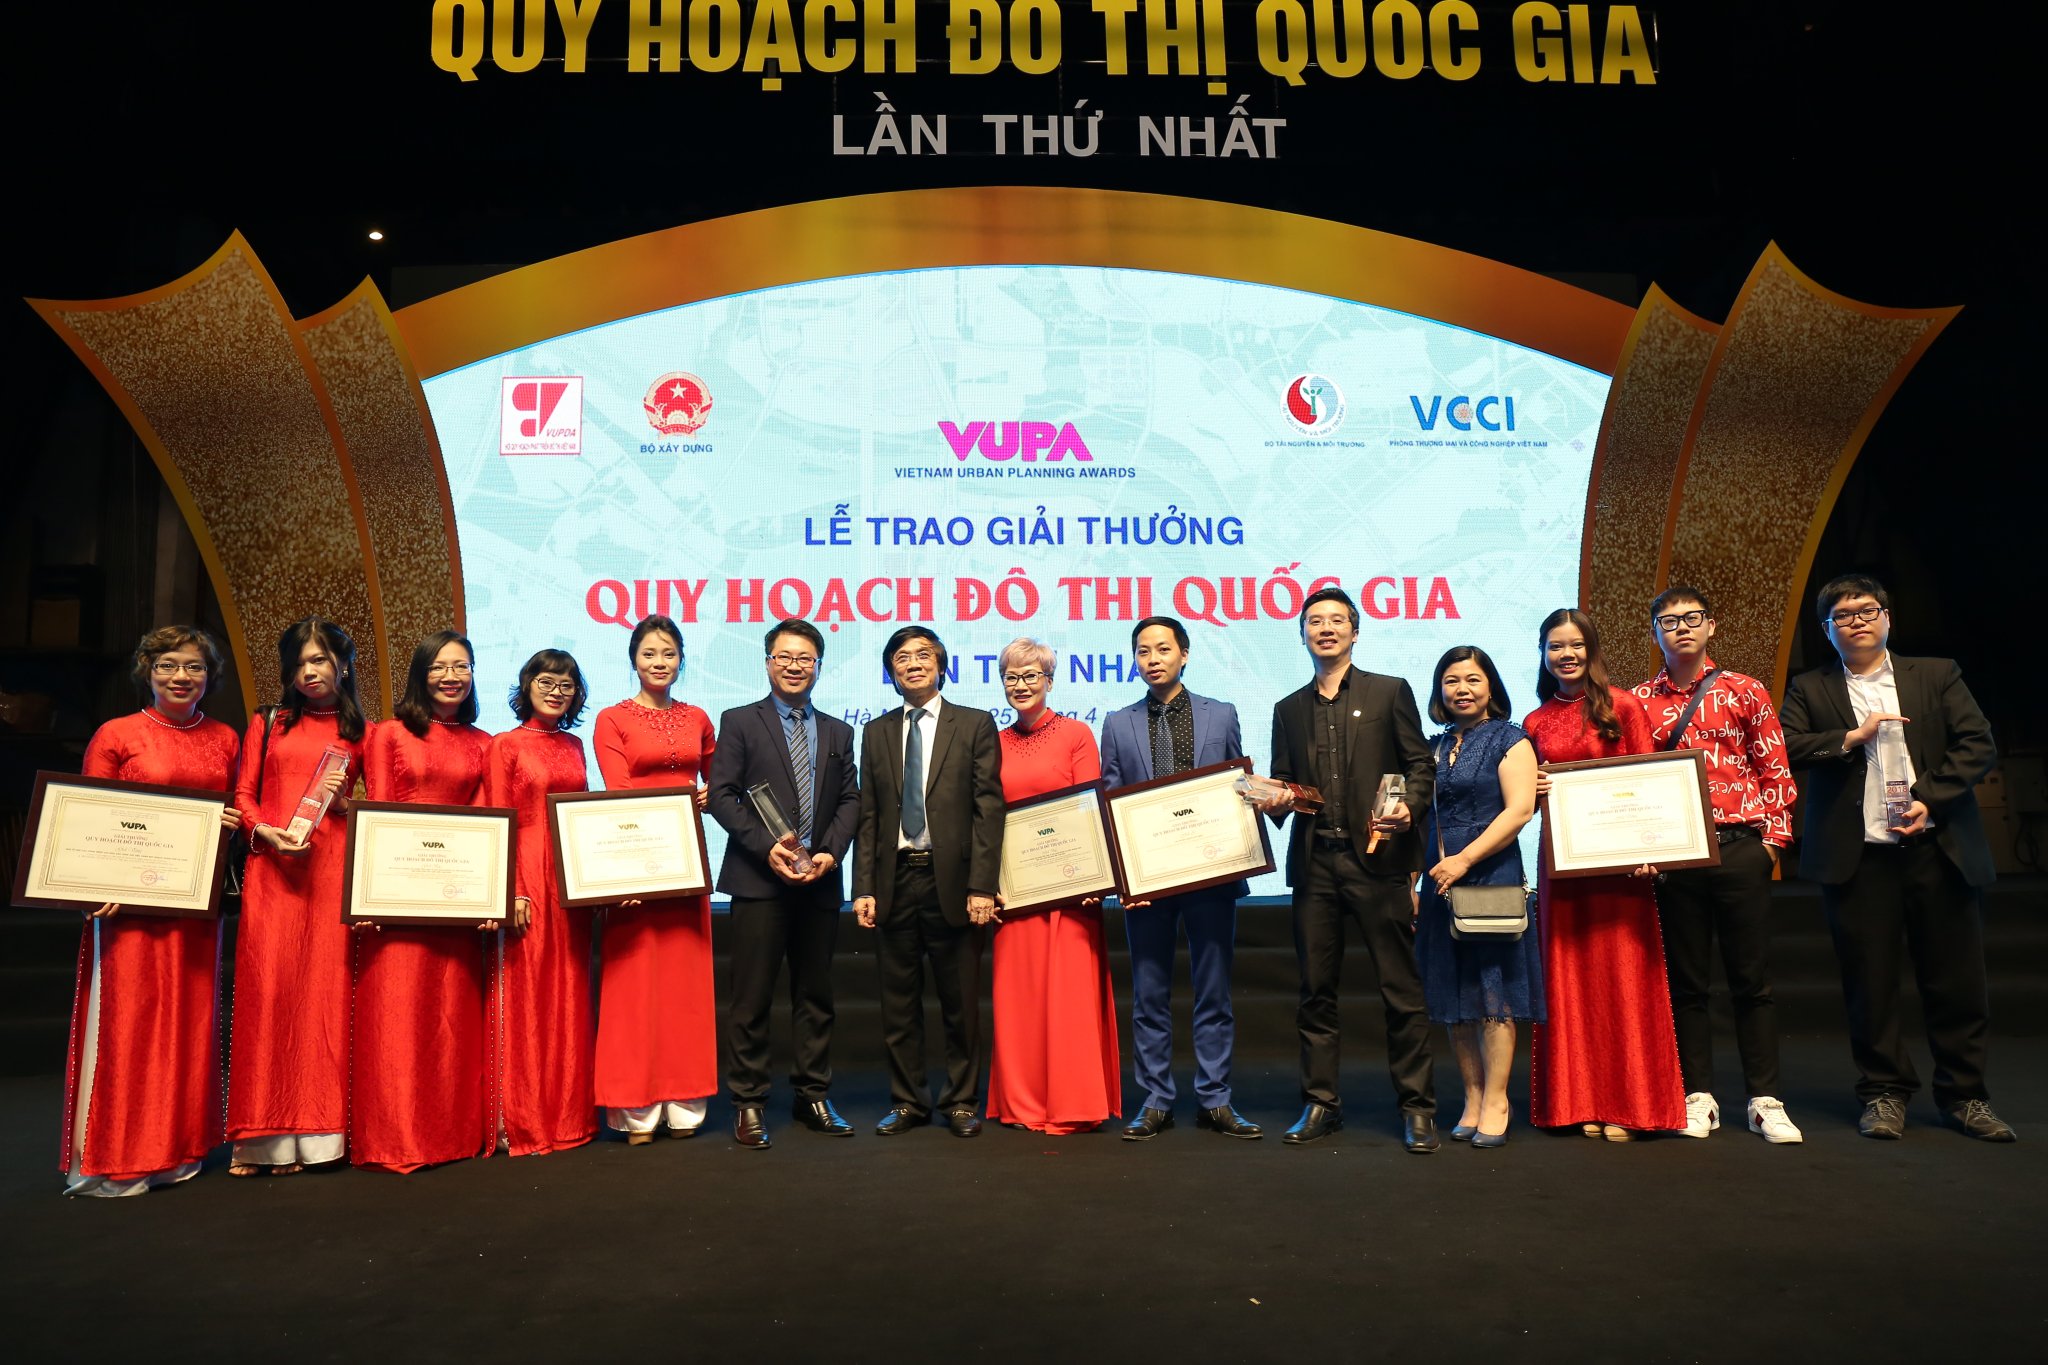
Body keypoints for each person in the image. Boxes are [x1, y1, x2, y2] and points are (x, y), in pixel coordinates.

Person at [1779, 574, 2013, 1141]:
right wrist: (1850, 737)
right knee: (1870, 984)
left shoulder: (1935, 673)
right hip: (1859, 858)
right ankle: (1883, 1093)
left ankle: (1965, 1096)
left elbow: (1977, 743)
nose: (1856, 621)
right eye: (1842, 615)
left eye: (1867, 610)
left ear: (1887, 617)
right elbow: (1784, 745)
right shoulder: (1810, 687)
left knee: (1956, 981)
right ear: (1826, 630)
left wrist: (1930, 798)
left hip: (1938, 850)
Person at [1253, 587, 1438, 1150]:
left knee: (1400, 989)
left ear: (1355, 632)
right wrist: (1275, 798)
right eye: (1315, 621)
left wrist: (1410, 807)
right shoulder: (1288, 708)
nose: (1326, 628)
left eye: (1337, 620)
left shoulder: (1389, 691)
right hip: (1316, 865)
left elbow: (1419, 765)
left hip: (1379, 863)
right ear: (1302, 635)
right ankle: (1320, 1104)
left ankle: (1417, 1108)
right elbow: (1288, 783)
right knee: (1315, 991)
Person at [62, 626, 242, 1196]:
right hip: (130, 904)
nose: (181, 676)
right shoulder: (117, 734)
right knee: (131, 1024)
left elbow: (237, 805)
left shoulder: (226, 738)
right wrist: (94, 888)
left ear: (210, 676)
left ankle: (177, 1149)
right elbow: (88, 815)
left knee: (190, 1022)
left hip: (194, 902)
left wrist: (232, 821)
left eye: (194, 666)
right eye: (168, 665)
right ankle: (121, 1154)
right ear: (148, 670)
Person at [1633, 587, 1803, 1144]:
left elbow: (1774, 768)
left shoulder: (1745, 690)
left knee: (1751, 981)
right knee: (1687, 983)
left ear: (1711, 626)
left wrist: (1771, 846)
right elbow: (1632, 780)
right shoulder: (1637, 702)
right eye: (1668, 621)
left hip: (1740, 847)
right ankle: (1697, 1097)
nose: (1681, 628)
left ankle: (1765, 1100)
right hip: (1675, 853)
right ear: (1654, 634)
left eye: (1692, 618)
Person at [1523, 608, 1685, 1140]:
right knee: (1571, 981)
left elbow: (1651, 780)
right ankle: (1580, 1100)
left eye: (1576, 645)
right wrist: (1533, 788)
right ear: (1543, 654)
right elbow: (1522, 800)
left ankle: (1633, 1104)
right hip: (1562, 864)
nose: (1566, 655)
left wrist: (1653, 849)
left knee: (1624, 978)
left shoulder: (1624, 705)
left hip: (1620, 866)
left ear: (1591, 650)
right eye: (1555, 646)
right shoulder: (1534, 722)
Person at [1100, 615, 1259, 1141]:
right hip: (1148, 880)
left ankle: (1216, 1098)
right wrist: (1124, 879)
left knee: (1214, 992)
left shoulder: (1222, 713)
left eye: (1163, 649)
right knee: (1149, 994)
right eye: (1143, 651)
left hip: (1213, 874)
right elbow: (1111, 803)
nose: (1153, 659)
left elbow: (1238, 786)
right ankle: (1156, 1099)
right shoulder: (1117, 723)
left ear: (1184, 654)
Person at [706, 619, 860, 1150]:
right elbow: (722, 794)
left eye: (805, 659)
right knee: (750, 999)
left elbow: (850, 800)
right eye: (785, 657)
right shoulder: (739, 721)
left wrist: (830, 852)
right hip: (758, 881)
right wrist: (764, 846)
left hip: (819, 882)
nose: (795, 666)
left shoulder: (839, 732)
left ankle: (812, 1095)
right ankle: (748, 1101)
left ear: (818, 666)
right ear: (768, 661)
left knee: (815, 996)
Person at [225, 617, 366, 1176]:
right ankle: (263, 1139)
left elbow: (379, 810)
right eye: (300, 662)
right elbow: (244, 793)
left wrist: (344, 805)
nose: (309, 671)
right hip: (273, 870)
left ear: (343, 665)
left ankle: (319, 1136)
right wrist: (263, 831)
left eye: (321, 660)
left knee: (324, 999)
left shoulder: (365, 731)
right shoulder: (269, 722)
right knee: (269, 994)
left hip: (331, 871)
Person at [852, 626, 1004, 1138]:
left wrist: (982, 885)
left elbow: (988, 810)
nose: (913, 663)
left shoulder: (975, 724)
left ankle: (960, 1101)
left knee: (960, 1003)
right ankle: (908, 1102)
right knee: (898, 1004)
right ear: (891, 672)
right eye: (901, 657)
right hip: (894, 881)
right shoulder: (876, 732)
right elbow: (869, 816)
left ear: (941, 666)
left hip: (954, 883)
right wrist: (863, 887)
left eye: (923, 655)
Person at [351, 631, 495, 1172]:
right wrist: (370, 896)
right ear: (420, 673)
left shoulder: (484, 743)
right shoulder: (389, 733)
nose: (451, 677)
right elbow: (379, 811)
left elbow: (487, 822)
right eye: (439, 667)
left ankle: (452, 1135)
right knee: (397, 1015)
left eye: (462, 666)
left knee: (450, 1021)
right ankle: (394, 1138)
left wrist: (487, 896)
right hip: (399, 898)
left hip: (456, 900)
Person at [590, 616, 718, 1145]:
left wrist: (710, 794)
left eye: (668, 653)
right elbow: (617, 791)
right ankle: (635, 1108)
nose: (659, 662)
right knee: (634, 984)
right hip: (634, 858)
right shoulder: (611, 718)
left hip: (686, 861)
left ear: (681, 660)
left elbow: (719, 779)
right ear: (633, 660)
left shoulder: (698, 717)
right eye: (649, 653)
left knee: (686, 984)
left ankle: (685, 1103)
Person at [985, 638, 1120, 1135]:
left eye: (1031, 675)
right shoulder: (991, 742)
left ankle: (1073, 1103)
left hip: (1070, 893)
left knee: (1069, 1002)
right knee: (1019, 1002)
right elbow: (985, 818)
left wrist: (1094, 877)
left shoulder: (1077, 734)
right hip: (1015, 896)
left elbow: (1090, 808)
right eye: (1011, 677)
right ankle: (1023, 1103)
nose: (1021, 685)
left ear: (1049, 681)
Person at [1414, 646, 1541, 1150]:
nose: (1461, 689)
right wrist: (1413, 882)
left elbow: (1519, 811)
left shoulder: (1512, 740)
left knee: (1493, 992)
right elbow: (1421, 819)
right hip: (1439, 880)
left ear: (1491, 686)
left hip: (1490, 874)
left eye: (1472, 679)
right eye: (1451, 680)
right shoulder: (1433, 747)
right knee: (1455, 994)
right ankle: (1471, 1095)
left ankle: (1497, 1100)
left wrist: (1464, 860)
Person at [488, 649, 597, 1156]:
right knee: (528, 992)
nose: (556, 691)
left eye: (566, 685)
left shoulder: (575, 744)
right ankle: (523, 1119)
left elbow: (584, 815)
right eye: (546, 681)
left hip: (569, 879)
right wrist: (509, 889)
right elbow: (498, 817)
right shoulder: (505, 745)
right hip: (527, 872)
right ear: (526, 685)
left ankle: (568, 1116)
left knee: (569, 991)